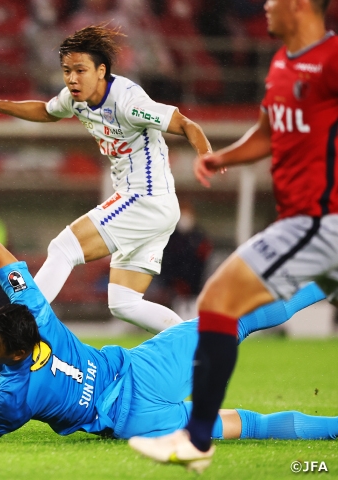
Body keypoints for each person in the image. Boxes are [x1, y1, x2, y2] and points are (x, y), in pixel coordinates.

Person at [0, 205, 332, 466]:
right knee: (237, 322)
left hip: (134, 419)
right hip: (144, 372)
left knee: (246, 424)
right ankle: (324, 282)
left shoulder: (12, 397)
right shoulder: (37, 316)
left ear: (15, 353)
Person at [128, 0, 338, 471]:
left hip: (325, 221)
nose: (264, 6)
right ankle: (196, 440)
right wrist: (223, 158)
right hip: (304, 223)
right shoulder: (282, 64)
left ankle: (196, 440)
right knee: (221, 300)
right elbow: (268, 132)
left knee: (222, 300)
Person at [0, 25, 212, 334]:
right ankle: (197, 346)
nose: (71, 78)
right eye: (66, 70)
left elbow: (185, 123)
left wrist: (206, 155)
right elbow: (45, 111)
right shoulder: (76, 99)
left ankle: (8, 329)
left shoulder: (128, 101)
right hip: (154, 207)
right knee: (124, 302)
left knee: (63, 248)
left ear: (101, 70)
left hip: (144, 199)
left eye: (80, 70)